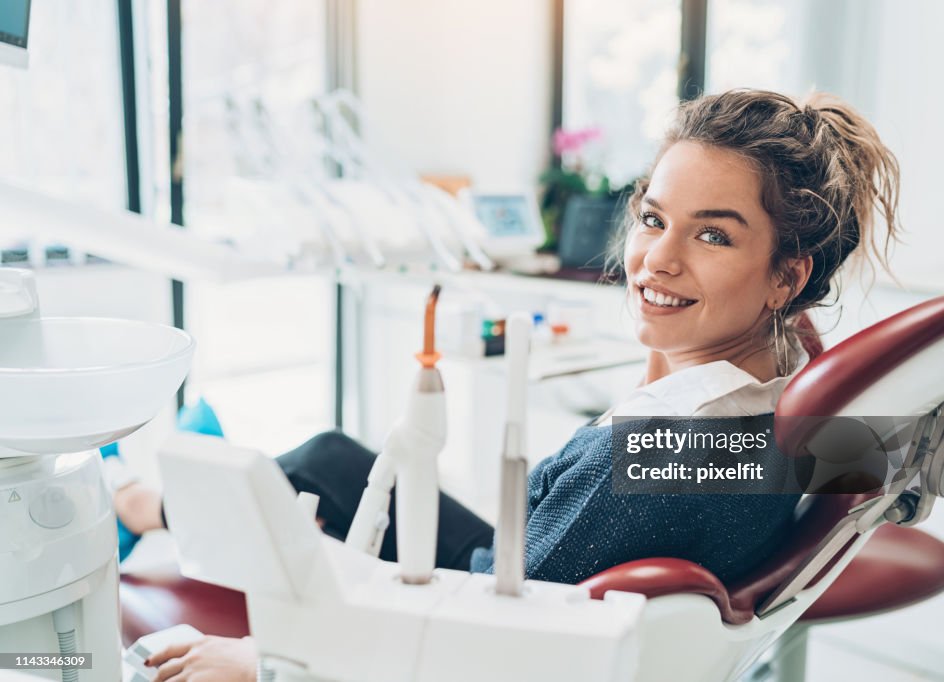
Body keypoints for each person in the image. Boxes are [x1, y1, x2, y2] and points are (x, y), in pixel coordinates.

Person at [126, 88, 899, 681]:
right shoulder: (785, 381)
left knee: (313, 476)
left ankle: (146, 506)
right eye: (655, 219)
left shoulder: (647, 465)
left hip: (485, 603)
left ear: (787, 274)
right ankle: (160, 498)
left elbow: (482, 644)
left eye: (713, 234)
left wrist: (261, 661)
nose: (657, 260)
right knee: (328, 456)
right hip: (534, 556)